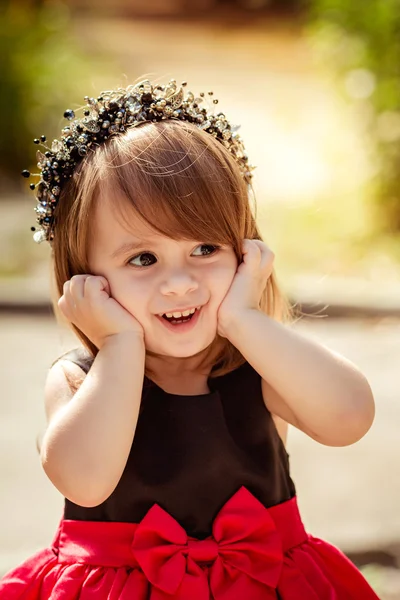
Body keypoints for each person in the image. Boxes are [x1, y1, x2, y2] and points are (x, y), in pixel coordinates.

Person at [0, 78, 379, 599]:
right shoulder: (78, 379)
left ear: (245, 252)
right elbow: (84, 481)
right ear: (85, 276)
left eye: (205, 249)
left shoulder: (260, 366)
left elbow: (349, 419)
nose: (179, 282)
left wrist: (245, 319)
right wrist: (119, 346)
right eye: (142, 258)